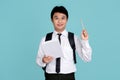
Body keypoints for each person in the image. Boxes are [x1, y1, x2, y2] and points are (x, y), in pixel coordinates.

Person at [36, 6, 92, 80]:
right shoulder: (45, 39)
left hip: (69, 77)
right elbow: (38, 60)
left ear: (67, 20)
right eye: (56, 18)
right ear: (51, 20)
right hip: (50, 76)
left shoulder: (73, 38)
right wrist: (43, 60)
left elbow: (87, 58)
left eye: (63, 18)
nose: (59, 21)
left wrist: (85, 41)